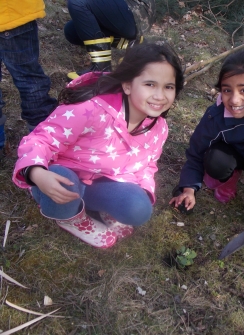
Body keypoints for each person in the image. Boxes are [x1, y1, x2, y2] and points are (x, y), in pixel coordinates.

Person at [12, 42, 184, 248]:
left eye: (168, 87)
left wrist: (141, 192)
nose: (160, 95)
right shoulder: (90, 109)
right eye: (150, 84)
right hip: (58, 180)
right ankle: (72, 218)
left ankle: (98, 204)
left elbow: (148, 166)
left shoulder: (159, 128)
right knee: (64, 178)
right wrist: (37, 173)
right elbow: (40, 139)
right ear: (127, 85)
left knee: (139, 208)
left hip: (101, 183)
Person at [170, 50, 244, 263]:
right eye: (226, 90)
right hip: (232, 155)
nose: (234, 99)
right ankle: (228, 180)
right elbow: (195, 153)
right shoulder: (216, 116)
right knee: (215, 161)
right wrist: (189, 188)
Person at [0, 0, 58, 159]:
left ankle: (41, 145)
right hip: (14, 13)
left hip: (12, 14)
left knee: (30, 81)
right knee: (29, 80)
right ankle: (42, 147)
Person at [64, 0, 156, 80]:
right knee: (72, 32)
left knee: (77, 2)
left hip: (137, 10)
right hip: (124, 9)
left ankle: (101, 69)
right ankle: (134, 43)